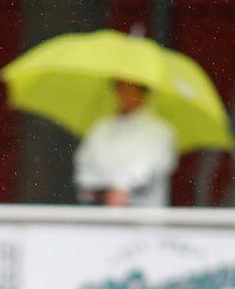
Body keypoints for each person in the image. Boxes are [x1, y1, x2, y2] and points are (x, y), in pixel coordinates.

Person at [73, 79, 177, 207]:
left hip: (143, 214)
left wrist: (122, 187)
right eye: (121, 88)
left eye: (131, 89)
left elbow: (154, 165)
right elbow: (84, 163)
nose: (125, 95)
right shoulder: (101, 128)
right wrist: (99, 189)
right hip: (101, 210)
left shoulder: (159, 130)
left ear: (143, 93)